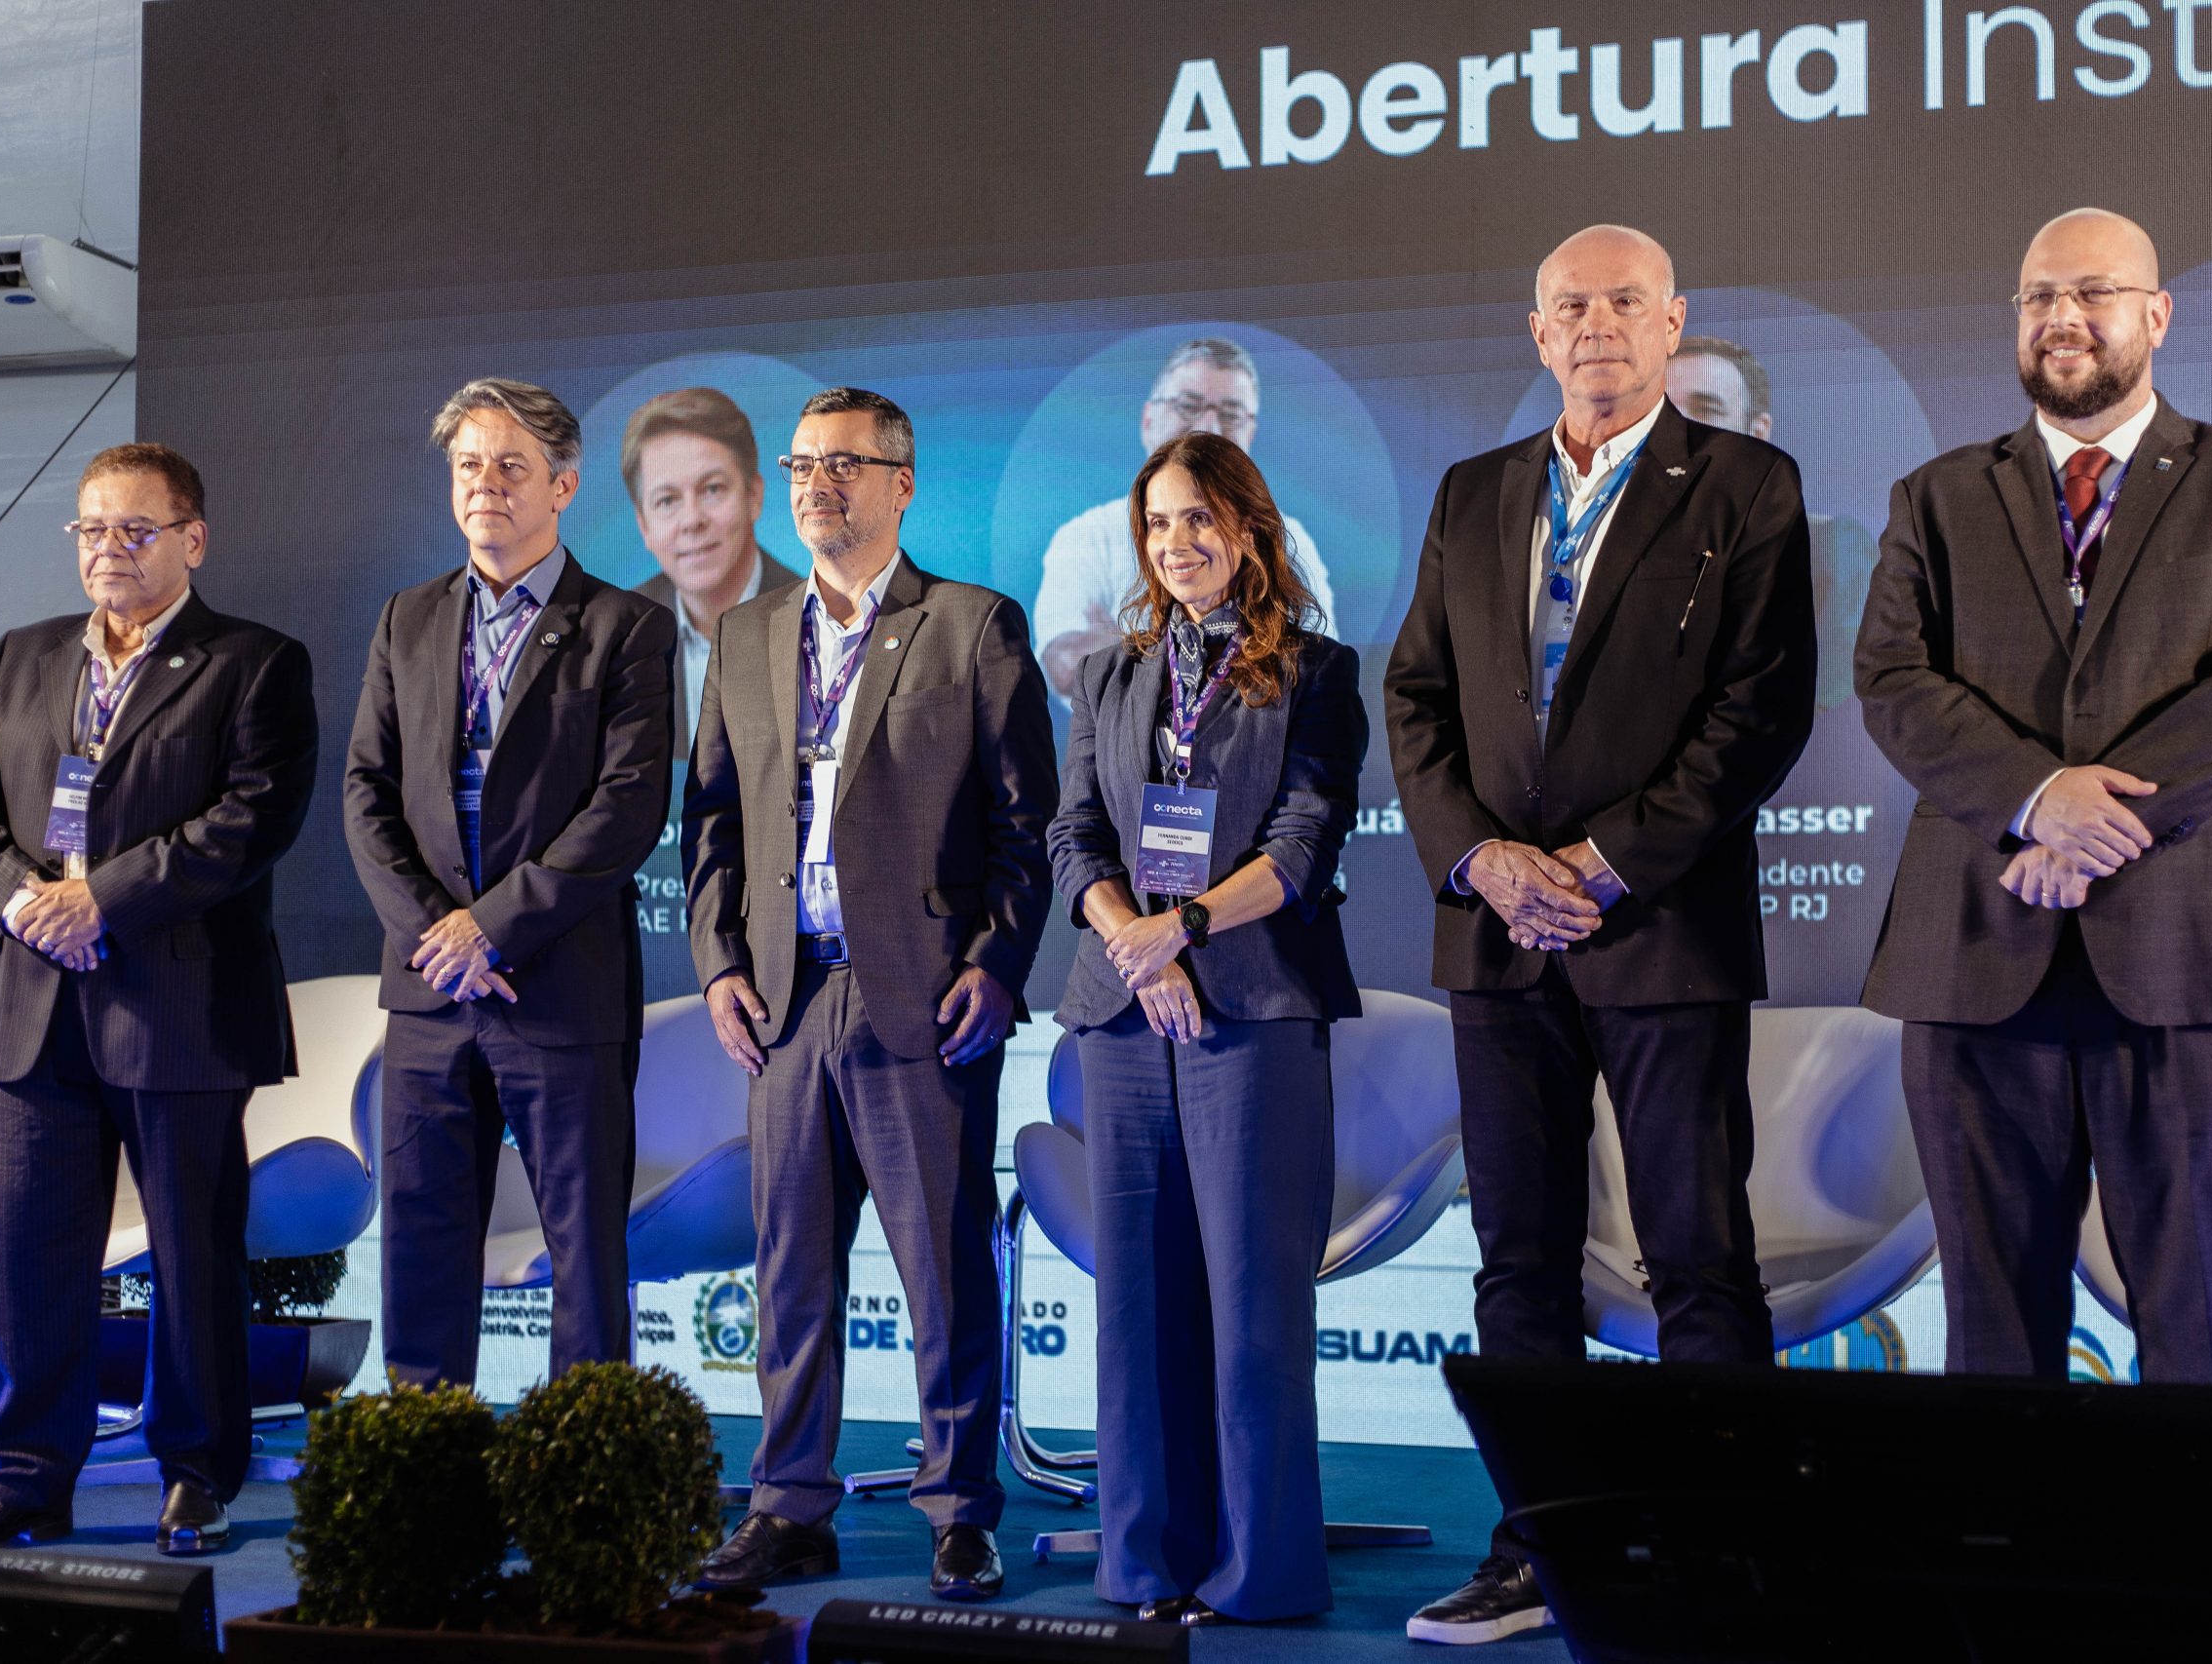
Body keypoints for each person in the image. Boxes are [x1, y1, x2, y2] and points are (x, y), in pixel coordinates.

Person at [1385, 225, 1816, 1646]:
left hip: (1663, 930)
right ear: (1537, 332)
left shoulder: (1745, 484)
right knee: (1517, 1258)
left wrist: (1603, 862)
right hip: (1498, 937)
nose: (1597, 325)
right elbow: (1417, 698)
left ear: (1672, 322)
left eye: (1626, 301)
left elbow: (1759, 712)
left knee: (1697, 1255)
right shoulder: (1474, 492)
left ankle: (1720, 1553)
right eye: (1570, 305)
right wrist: (1483, 860)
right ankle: (1541, 1548)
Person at [1856, 209, 2212, 1386]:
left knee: (2196, 1316)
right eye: (2038, 296)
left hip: (2194, 953)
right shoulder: (1936, 496)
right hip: (1979, 946)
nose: (2061, 317)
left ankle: (2207, 1521)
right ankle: (2016, 1519)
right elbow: (1891, 677)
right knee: (1990, 1329)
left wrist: (2090, 828)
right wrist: (2036, 798)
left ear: (2156, 315)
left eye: (2092, 292)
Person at [681, 387, 1057, 1602]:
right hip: (786, 1003)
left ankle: (959, 1508)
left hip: (922, 1001)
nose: (816, 485)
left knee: (943, 1272)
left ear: (902, 483)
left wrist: (994, 964)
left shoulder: (971, 625)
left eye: (844, 464)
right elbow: (709, 822)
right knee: (791, 1273)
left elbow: (1024, 826)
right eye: (801, 465)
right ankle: (789, 1505)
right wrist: (718, 963)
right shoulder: (745, 632)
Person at [0, 444, 317, 1554]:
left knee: (192, 1257)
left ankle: (196, 1476)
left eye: (135, 530)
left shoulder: (255, 663)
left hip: (179, 1006)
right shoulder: (25, 654)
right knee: (28, 1260)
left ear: (194, 539)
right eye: (91, 529)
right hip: (35, 1000)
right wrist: (22, 901)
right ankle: (22, 1477)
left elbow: (250, 820)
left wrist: (101, 898)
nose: (109, 550)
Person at [1048, 431, 1368, 1627]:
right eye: (1156, 524)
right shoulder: (1111, 675)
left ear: (1246, 528)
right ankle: (1145, 1562)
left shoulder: (1317, 672)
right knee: (1136, 1304)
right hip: (1123, 1010)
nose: (1175, 543)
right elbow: (1074, 836)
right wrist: (1134, 943)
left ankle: (1257, 1574)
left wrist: (1179, 928)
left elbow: (1302, 844)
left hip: (1255, 1004)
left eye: (1197, 519)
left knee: (1251, 1304)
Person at [343, 376, 676, 1392]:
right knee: (421, 1244)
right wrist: (436, 933)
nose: (484, 483)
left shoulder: (626, 626)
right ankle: (424, 1453)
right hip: (431, 992)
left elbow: (627, 808)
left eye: (510, 466)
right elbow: (366, 793)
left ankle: (582, 1465)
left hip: (559, 985)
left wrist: (490, 928)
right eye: (468, 465)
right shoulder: (407, 618)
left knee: (585, 1251)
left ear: (563, 485)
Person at [1034, 337, 1339, 702]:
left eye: (1230, 414)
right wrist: (1169, 652)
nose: (1209, 426)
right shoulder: (1088, 535)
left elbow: (1310, 666)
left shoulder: (1289, 539)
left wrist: (1123, 644)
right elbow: (1068, 664)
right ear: (1148, 419)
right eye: (1189, 406)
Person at [1667, 334, 1880, 712]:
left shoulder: (1833, 546)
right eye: (1665, 413)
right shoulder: (1609, 543)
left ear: (1758, 431)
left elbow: (1840, 694)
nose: (1682, 429)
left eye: (1707, 409)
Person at [622, 387, 801, 753]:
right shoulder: (622, 632)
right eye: (667, 500)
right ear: (644, 527)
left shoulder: (814, 616)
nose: (692, 520)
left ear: (754, 496)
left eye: (712, 489)